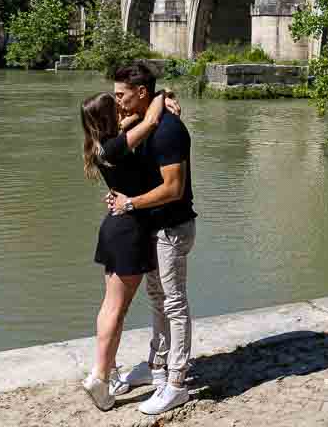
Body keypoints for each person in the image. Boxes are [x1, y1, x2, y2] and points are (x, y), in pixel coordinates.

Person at [105, 61, 198, 416]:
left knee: (174, 303)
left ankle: (176, 382)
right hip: (154, 226)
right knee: (157, 298)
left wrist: (129, 203)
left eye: (121, 95)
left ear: (141, 93)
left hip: (172, 228)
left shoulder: (168, 131)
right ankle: (157, 366)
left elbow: (173, 189)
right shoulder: (146, 123)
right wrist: (164, 97)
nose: (117, 102)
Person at [77, 88, 178, 411]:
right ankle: (100, 376)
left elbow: (135, 120)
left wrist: (160, 99)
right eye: (117, 102)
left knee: (110, 306)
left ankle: (109, 371)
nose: (123, 103)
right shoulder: (118, 145)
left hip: (113, 227)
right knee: (116, 310)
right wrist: (160, 94)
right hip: (130, 230)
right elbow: (148, 120)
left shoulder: (104, 144)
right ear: (109, 116)